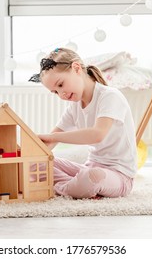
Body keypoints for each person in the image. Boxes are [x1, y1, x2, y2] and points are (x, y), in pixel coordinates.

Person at [29, 47, 137, 199]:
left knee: (92, 176)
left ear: (76, 68)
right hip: (88, 168)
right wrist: (27, 152)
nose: (61, 95)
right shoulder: (74, 107)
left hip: (119, 176)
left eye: (60, 85)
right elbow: (50, 141)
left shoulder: (110, 96)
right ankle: (75, 188)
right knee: (35, 164)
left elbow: (97, 134)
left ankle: (63, 188)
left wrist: (53, 137)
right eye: (55, 92)